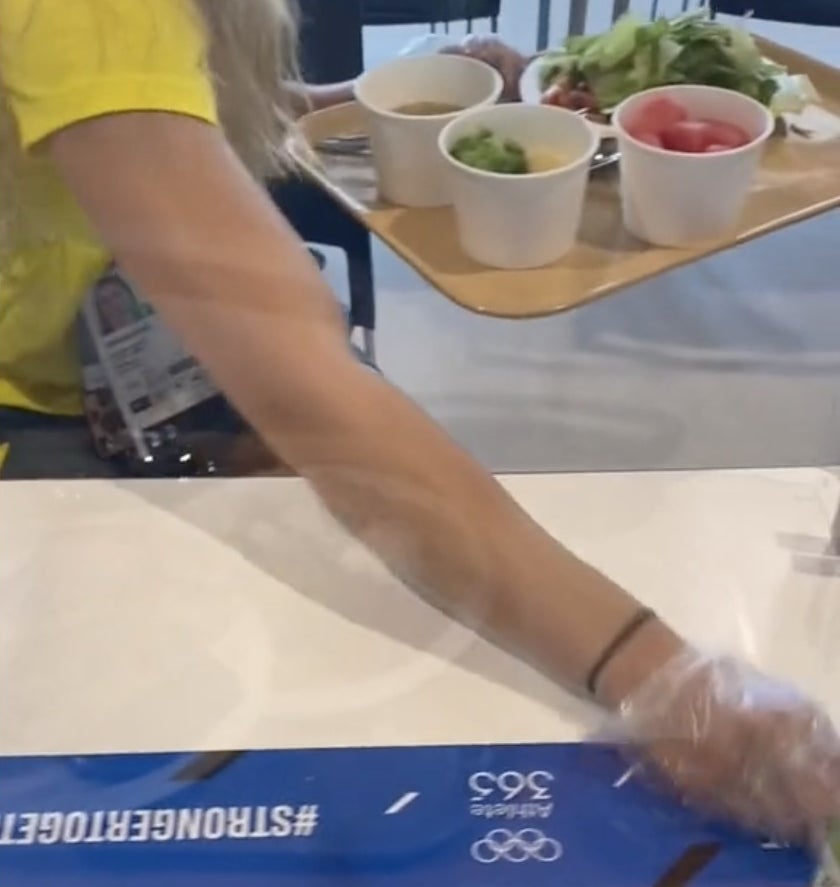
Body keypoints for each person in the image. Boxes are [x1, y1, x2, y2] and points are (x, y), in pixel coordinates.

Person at [0, 0, 837, 847]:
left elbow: (155, 94)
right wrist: (663, 677)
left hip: (176, 365)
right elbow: (310, 397)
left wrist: (345, 99)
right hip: (52, 410)